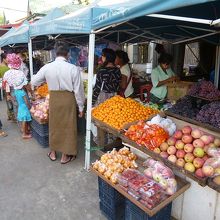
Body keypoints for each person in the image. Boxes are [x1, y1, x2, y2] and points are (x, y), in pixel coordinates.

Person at [31, 43, 85, 164]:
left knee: (54, 125)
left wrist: (46, 79)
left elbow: (34, 80)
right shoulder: (73, 68)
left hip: (54, 98)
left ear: (56, 54)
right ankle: (65, 156)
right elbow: (78, 90)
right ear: (68, 55)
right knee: (68, 126)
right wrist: (81, 107)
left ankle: (53, 152)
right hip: (68, 98)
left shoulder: (47, 67)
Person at [3, 53, 28, 120]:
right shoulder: (20, 73)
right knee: (23, 105)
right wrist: (30, 91)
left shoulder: (6, 73)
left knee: (15, 106)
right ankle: (25, 122)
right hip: (21, 91)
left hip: (12, 91)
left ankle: (19, 122)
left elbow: (6, 85)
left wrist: (8, 94)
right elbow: (25, 84)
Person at [13, 74, 32, 139]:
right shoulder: (22, 92)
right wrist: (29, 107)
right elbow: (26, 101)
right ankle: (24, 134)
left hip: (20, 106)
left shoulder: (16, 91)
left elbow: (14, 99)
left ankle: (25, 131)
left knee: (23, 120)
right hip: (24, 107)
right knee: (24, 120)